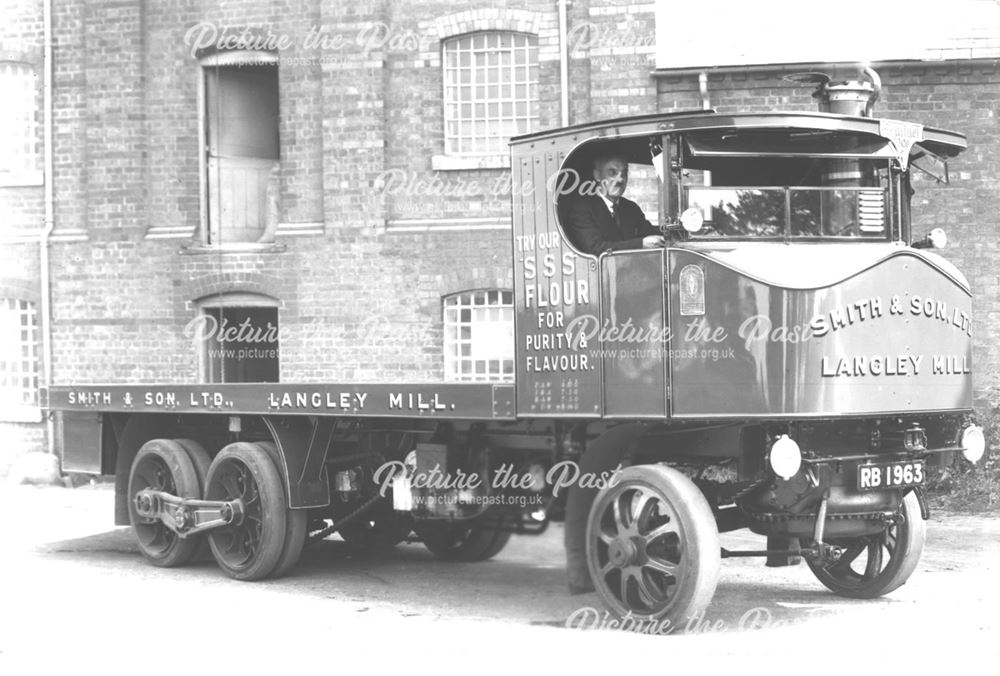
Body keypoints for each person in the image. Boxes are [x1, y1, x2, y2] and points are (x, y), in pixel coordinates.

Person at [564, 154, 666, 255]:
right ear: (597, 175)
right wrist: (640, 244)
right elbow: (596, 248)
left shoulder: (631, 208)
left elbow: (650, 233)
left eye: (624, 173)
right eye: (612, 172)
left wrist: (674, 235)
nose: (620, 180)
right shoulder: (581, 209)